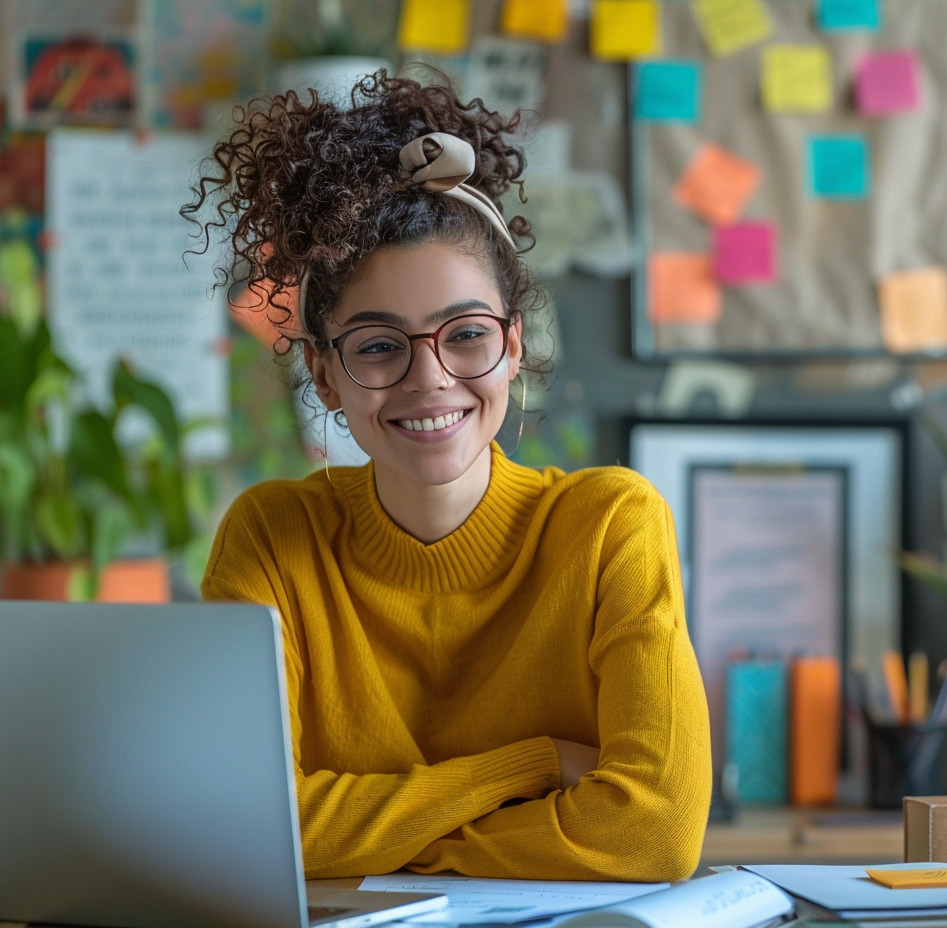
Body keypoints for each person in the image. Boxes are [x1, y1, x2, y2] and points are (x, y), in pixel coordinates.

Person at [183, 71, 712, 882]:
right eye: (377, 345)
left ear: (513, 343)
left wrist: (371, 836)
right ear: (324, 374)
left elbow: (654, 834)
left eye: (464, 335)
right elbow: (245, 830)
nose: (429, 379)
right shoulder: (272, 540)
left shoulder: (612, 527)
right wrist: (529, 769)